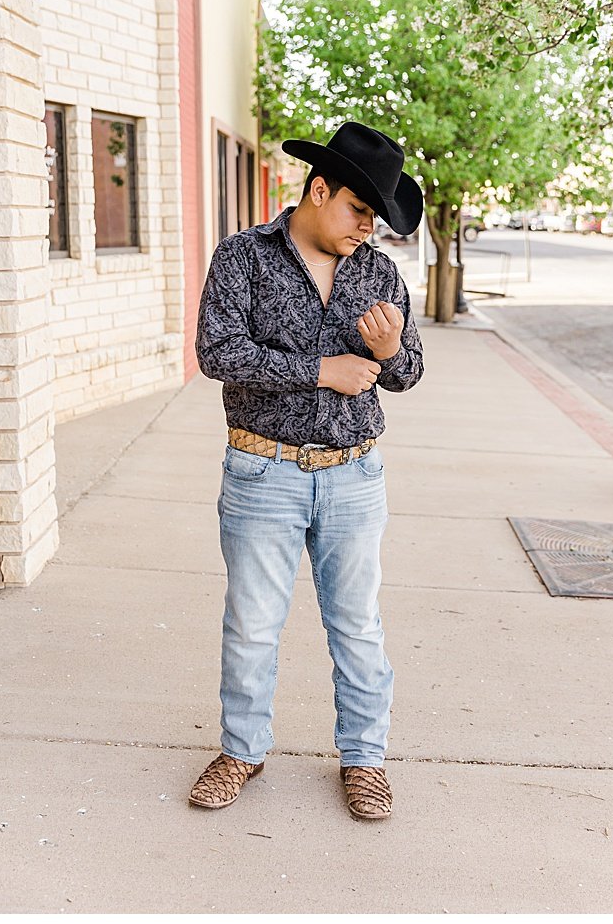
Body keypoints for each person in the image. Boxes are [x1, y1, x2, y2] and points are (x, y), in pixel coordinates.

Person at [189, 121, 426, 821]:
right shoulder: (242, 258)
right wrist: (320, 371)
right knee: (253, 625)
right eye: (359, 210)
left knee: (357, 626)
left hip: (355, 475)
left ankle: (363, 759)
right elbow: (217, 353)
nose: (366, 228)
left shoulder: (380, 273)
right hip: (263, 471)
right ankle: (242, 751)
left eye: (376, 218)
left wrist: (389, 353)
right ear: (319, 189)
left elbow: (408, 374)